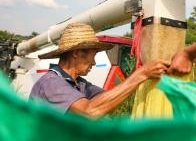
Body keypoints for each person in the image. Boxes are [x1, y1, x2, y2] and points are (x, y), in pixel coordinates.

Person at [30, 22, 170, 118]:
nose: (94, 62)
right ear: (77, 53)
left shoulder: (80, 84)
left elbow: (109, 102)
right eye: (94, 55)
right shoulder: (51, 83)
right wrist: (141, 74)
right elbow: (89, 111)